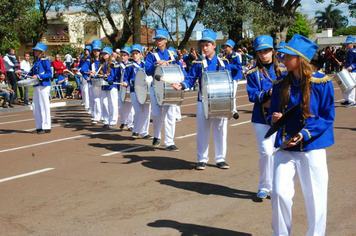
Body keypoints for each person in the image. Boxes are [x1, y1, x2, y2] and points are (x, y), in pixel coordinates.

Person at [269, 34, 335, 236]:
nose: (282, 59)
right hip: (285, 146)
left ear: (299, 58)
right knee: (279, 193)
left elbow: (327, 116)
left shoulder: (321, 83)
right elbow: (273, 113)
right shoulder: (280, 84)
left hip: (311, 147)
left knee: (315, 197)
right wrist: (276, 118)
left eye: (287, 56)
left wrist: (304, 134)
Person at [172, 29, 231, 169]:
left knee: (221, 130)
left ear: (214, 45)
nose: (204, 48)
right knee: (203, 130)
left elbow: (229, 81)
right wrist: (182, 85)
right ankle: (202, 158)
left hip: (221, 101)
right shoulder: (198, 63)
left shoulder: (223, 62)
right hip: (203, 101)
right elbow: (191, 79)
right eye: (203, 45)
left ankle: (220, 158)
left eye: (207, 45)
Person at [246, 35, 287, 199]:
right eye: (260, 52)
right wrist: (268, 93)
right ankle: (264, 185)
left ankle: (277, 186)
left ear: (272, 51)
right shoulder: (253, 73)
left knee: (280, 152)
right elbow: (252, 95)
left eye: (266, 51)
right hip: (261, 118)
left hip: (281, 116)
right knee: (266, 152)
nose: (264, 55)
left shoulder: (284, 70)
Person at [145, 28, 182, 151]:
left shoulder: (172, 54)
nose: (158, 41)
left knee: (170, 115)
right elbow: (147, 70)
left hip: (169, 87)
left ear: (166, 40)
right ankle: (156, 135)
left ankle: (169, 141)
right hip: (156, 87)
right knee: (156, 114)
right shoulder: (151, 55)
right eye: (157, 39)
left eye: (161, 39)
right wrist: (157, 64)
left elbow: (180, 68)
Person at [124, 44, 153, 139]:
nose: (135, 55)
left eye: (137, 53)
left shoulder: (145, 65)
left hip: (145, 91)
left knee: (146, 111)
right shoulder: (129, 66)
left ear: (141, 54)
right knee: (138, 110)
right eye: (133, 54)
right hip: (134, 90)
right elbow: (126, 78)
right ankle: (136, 130)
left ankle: (144, 132)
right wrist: (125, 82)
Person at [29, 42, 52, 134]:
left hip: (44, 85)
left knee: (44, 105)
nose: (34, 51)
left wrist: (38, 76)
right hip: (36, 85)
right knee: (36, 105)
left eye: (36, 50)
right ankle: (39, 126)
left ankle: (46, 126)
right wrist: (21, 72)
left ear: (41, 51)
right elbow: (30, 73)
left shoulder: (45, 60)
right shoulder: (36, 61)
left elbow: (49, 73)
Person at [99, 46, 120, 128]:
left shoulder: (114, 63)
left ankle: (113, 120)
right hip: (104, 85)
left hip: (112, 85)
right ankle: (106, 120)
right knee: (104, 103)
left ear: (109, 54)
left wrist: (109, 77)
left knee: (113, 103)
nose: (104, 55)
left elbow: (116, 75)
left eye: (105, 53)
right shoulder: (103, 64)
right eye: (103, 53)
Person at [222, 39, 242, 119]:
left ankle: (233, 110)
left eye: (227, 47)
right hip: (227, 77)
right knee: (228, 94)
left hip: (234, 77)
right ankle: (229, 109)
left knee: (232, 94)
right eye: (225, 47)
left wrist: (230, 66)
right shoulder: (225, 57)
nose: (225, 48)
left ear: (231, 48)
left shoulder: (236, 56)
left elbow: (239, 66)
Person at [118, 46, 135, 131]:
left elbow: (132, 77)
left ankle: (130, 124)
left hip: (128, 88)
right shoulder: (118, 65)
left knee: (129, 107)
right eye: (122, 55)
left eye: (125, 55)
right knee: (122, 107)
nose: (123, 57)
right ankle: (122, 122)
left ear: (128, 56)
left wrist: (127, 82)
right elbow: (114, 76)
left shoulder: (131, 66)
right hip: (120, 88)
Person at [339, 36, 356, 107]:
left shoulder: (354, 52)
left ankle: (352, 101)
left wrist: (352, 67)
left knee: (351, 86)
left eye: (348, 44)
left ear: (352, 44)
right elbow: (347, 61)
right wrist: (342, 63)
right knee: (345, 85)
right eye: (346, 44)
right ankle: (347, 100)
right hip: (347, 71)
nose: (346, 45)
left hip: (353, 71)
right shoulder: (348, 52)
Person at [89, 40, 103, 124]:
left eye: (98, 50)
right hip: (93, 82)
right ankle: (96, 115)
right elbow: (83, 69)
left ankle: (100, 115)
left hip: (101, 81)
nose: (96, 52)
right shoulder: (90, 60)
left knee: (100, 100)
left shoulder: (102, 61)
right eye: (94, 50)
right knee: (95, 99)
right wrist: (89, 73)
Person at [76, 45, 92, 111]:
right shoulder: (83, 59)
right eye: (85, 50)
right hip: (83, 75)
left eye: (87, 50)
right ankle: (86, 103)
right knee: (84, 90)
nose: (86, 51)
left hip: (89, 75)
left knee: (88, 91)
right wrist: (77, 68)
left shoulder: (90, 58)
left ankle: (88, 105)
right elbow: (80, 66)